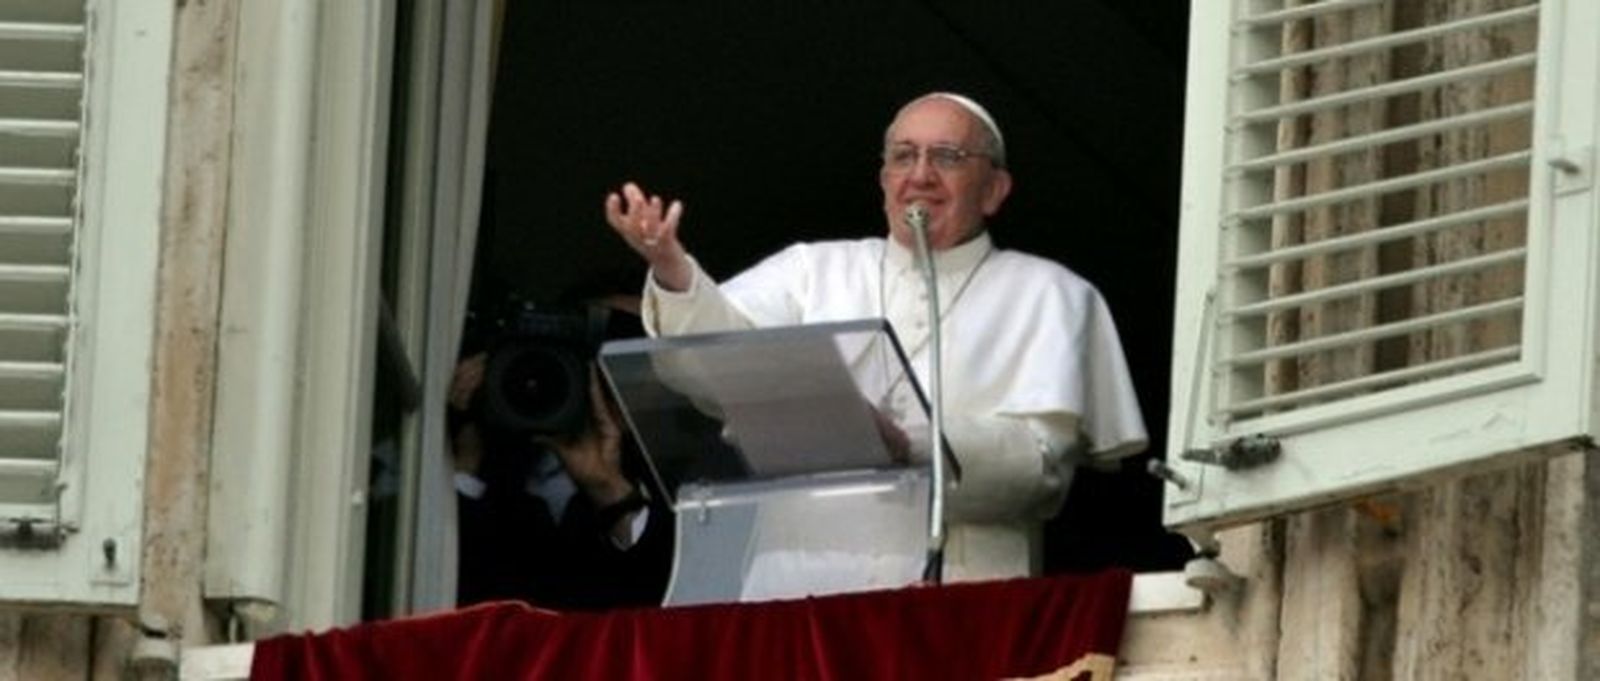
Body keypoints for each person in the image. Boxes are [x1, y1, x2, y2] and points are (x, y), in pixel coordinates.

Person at [601, 92, 1147, 582]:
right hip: (798, 588)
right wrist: (675, 272)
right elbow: (710, 368)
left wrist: (907, 442)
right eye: (904, 156)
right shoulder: (810, 269)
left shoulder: (1051, 294)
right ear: (884, 178)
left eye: (949, 157)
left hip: (960, 594)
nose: (922, 174)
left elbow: (1041, 472)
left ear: (995, 190)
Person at [450, 297, 672, 610]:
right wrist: (465, 461)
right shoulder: (487, 465)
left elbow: (664, 601)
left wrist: (608, 489)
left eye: (634, 352)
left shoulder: (669, 481)